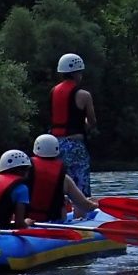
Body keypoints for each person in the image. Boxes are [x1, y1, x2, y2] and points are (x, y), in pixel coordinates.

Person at [49, 53, 98, 198]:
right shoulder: (84, 95)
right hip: (75, 145)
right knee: (80, 185)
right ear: (76, 73)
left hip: (54, 145)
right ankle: (82, 211)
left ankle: (62, 211)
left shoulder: (53, 92)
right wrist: (85, 127)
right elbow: (92, 121)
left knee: (62, 183)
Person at [30, 133, 96, 223]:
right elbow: (85, 206)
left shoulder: (25, 173)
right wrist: (95, 204)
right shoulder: (64, 179)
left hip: (28, 222)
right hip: (56, 223)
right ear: (57, 151)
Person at [0, 150, 33, 232]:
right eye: (26, 169)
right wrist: (26, 223)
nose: (28, 172)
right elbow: (19, 224)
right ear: (21, 170)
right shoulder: (22, 188)